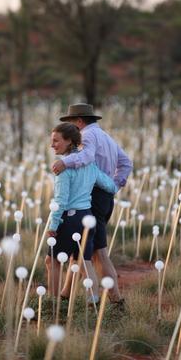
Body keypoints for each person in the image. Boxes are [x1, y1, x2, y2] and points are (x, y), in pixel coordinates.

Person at [52, 103, 133, 305]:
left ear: (79, 121)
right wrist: (114, 185)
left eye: (72, 122)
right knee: (81, 249)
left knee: (98, 252)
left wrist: (65, 162)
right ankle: (65, 295)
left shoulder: (87, 136)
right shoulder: (105, 136)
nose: (72, 128)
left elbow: (87, 157)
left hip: (92, 198)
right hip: (103, 195)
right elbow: (127, 163)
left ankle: (116, 300)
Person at [46, 122, 117, 303]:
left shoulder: (63, 169)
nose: (52, 145)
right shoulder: (90, 165)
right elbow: (109, 186)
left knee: (51, 261)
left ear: (69, 141)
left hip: (70, 220)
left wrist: (53, 225)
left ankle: (52, 304)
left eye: (56, 141)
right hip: (88, 217)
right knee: (84, 263)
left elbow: (60, 201)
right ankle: (92, 303)